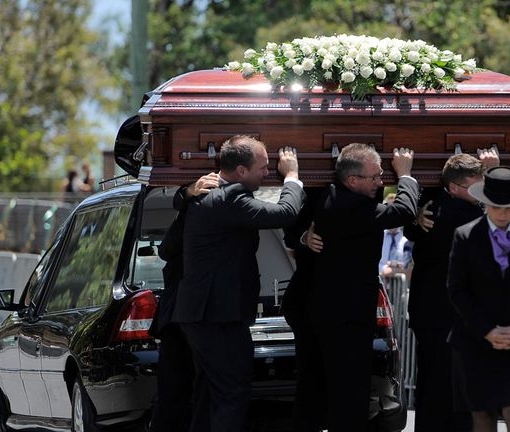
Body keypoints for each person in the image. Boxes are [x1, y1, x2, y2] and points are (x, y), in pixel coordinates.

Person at [172, 136, 305, 432]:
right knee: (232, 392)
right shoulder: (231, 197)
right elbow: (286, 213)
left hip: (207, 314)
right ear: (241, 171)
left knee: (210, 393)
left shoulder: (205, 193)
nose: (269, 172)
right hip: (217, 316)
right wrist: (293, 177)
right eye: (263, 167)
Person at [293, 144, 419, 432]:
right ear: (352, 181)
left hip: (324, 313)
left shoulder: (327, 194)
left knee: (319, 391)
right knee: (350, 396)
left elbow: (299, 215)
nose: (380, 181)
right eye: (374, 177)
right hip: (347, 318)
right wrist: (407, 175)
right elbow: (403, 211)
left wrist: (301, 236)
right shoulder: (351, 206)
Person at [447, 166, 510, 432]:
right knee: (482, 415)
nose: (503, 213)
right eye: (496, 207)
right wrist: (487, 330)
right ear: (485, 203)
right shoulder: (465, 235)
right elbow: (457, 290)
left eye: (509, 207)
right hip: (475, 340)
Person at [402, 150, 499, 432]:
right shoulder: (463, 213)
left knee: (433, 382)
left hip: (430, 313)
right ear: (456, 188)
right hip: (455, 315)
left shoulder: (430, 208)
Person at [149, 173, 218, 432]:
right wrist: (187, 197)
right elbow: (167, 250)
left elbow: (166, 250)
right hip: (188, 315)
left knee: (176, 392)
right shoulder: (198, 211)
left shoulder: (198, 210)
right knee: (181, 392)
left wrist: (187, 197)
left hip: (184, 314)